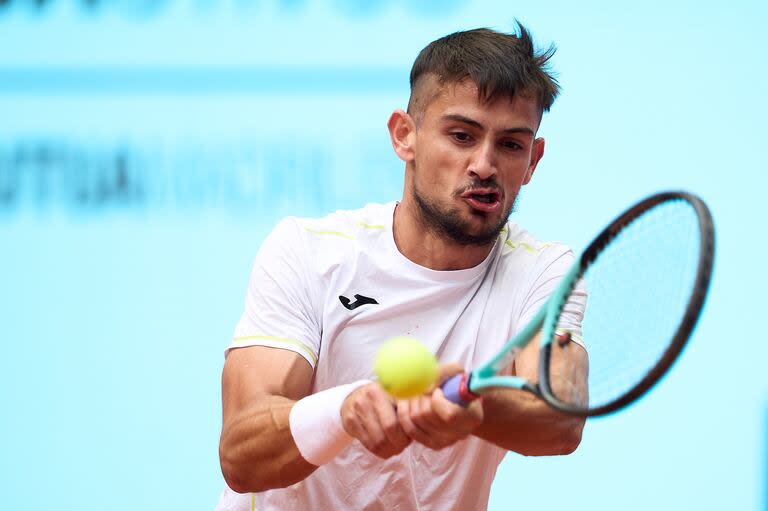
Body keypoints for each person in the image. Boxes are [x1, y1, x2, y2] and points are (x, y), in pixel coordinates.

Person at [216, 22, 589, 511]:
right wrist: (344, 411)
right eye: (461, 135)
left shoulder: (543, 272)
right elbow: (241, 455)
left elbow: (560, 420)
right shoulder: (308, 251)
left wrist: (471, 404)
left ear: (533, 159)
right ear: (404, 136)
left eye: (511, 145)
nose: (484, 164)